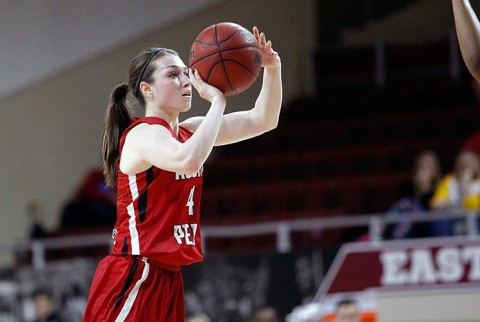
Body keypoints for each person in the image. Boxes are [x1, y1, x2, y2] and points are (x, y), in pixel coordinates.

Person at [82, 26, 282, 322]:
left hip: (167, 277)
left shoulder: (190, 131)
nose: (185, 80)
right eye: (173, 75)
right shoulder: (142, 134)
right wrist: (218, 102)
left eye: (186, 73)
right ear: (147, 89)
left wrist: (272, 68)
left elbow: (262, 120)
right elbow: (187, 160)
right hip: (134, 273)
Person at [385, 150, 442, 239]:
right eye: (421, 166)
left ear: (435, 170)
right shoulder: (407, 186)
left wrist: (425, 188)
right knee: (405, 206)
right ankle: (390, 232)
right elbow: (400, 204)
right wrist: (417, 188)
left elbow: (429, 206)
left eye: (428, 166)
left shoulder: (441, 187)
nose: (424, 169)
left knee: (413, 207)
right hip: (409, 222)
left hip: (429, 223)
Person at [430, 149, 480, 235]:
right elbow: (435, 203)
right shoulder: (448, 180)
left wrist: (465, 186)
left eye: (468, 165)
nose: (465, 170)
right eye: (463, 165)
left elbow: (473, 205)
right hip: (451, 219)